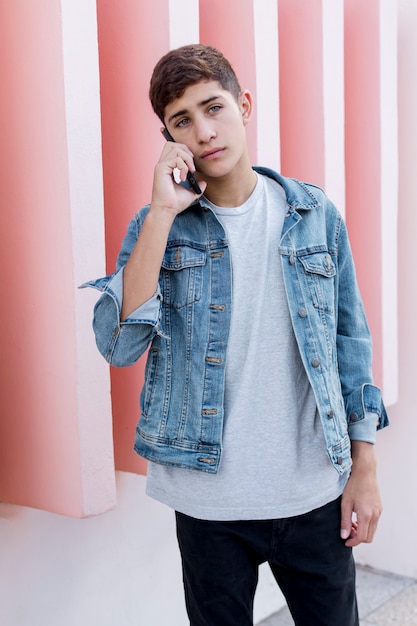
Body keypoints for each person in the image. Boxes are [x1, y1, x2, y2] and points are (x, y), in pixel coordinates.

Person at [85, 44, 388, 625]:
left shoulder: (312, 214)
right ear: (168, 137)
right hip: (208, 503)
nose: (204, 130)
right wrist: (161, 213)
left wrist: (365, 471)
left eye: (214, 107)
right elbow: (118, 346)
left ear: (244, 105)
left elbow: (351, 344)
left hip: (314, 494)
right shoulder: (159, 227)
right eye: (182, 121)